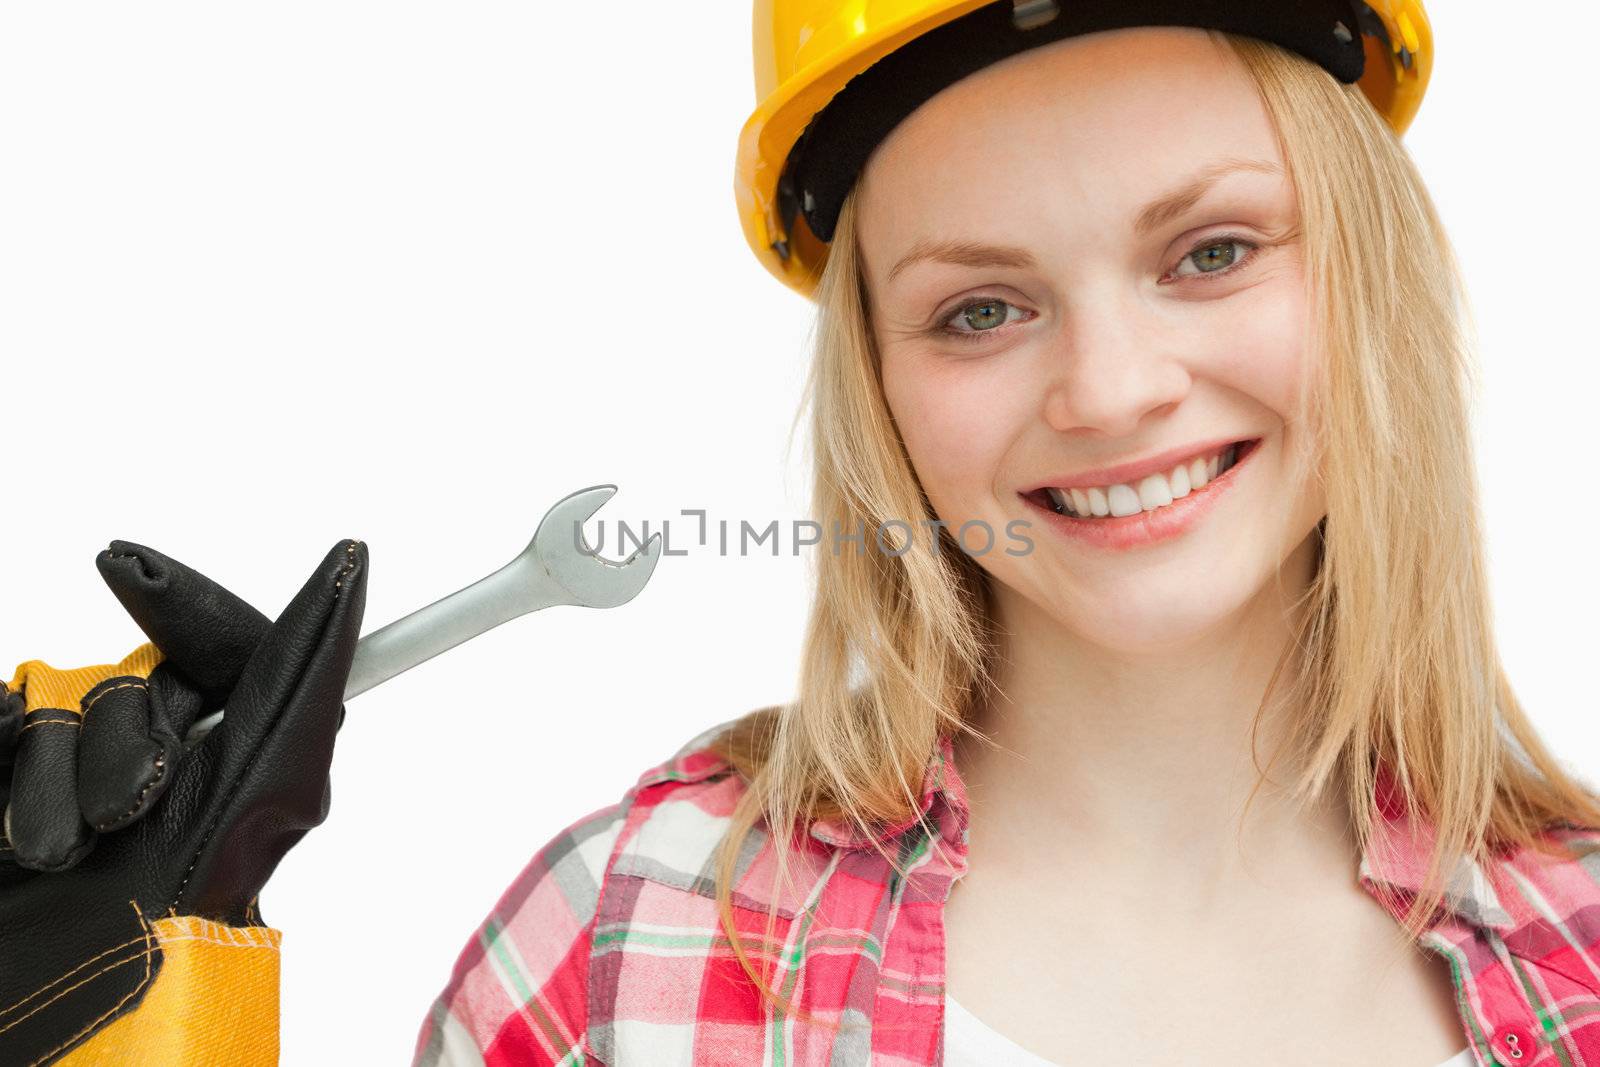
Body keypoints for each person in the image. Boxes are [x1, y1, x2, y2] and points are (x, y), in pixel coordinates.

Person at [5, 3, 1600, 1066]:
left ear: (1371, 279)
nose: (1113, 390)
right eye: (981, 308)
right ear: (882, 392)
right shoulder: (636, 933)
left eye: (1214, 250)